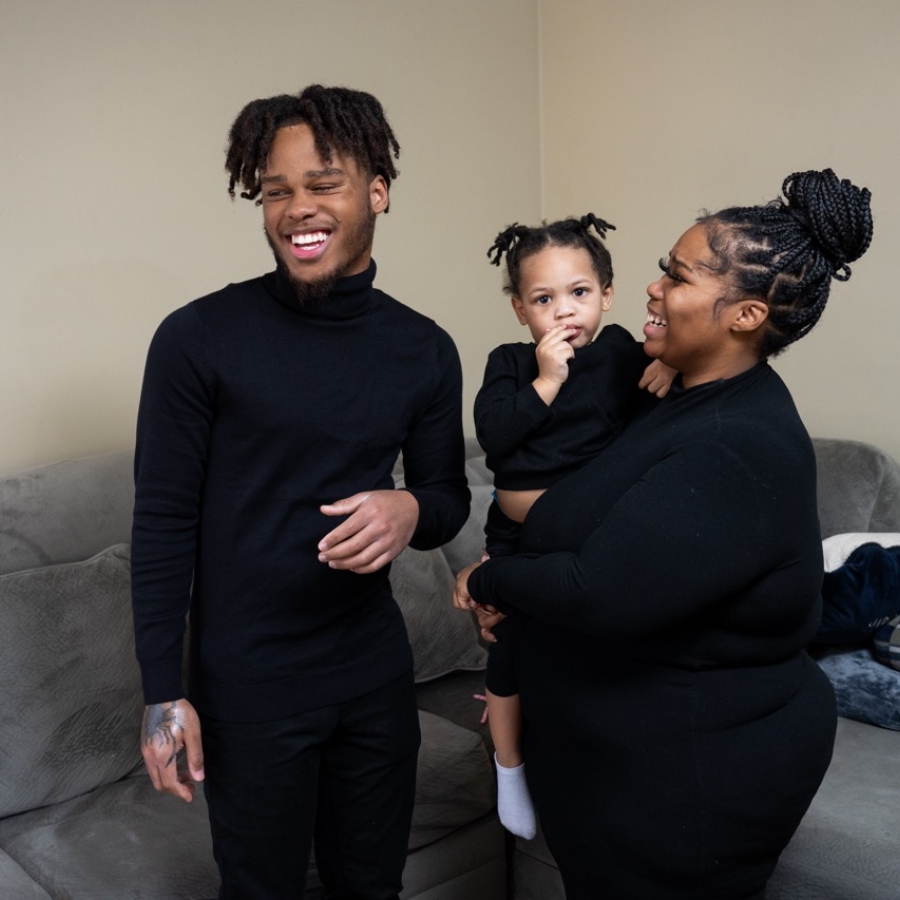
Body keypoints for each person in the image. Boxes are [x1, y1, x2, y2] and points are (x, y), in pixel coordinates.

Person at [454, 168, 874, 899]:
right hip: (611, 773)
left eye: (676, 278)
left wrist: (486, 579)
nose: (653, 288)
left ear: (744, 315)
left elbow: (597, 589)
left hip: (685, 791)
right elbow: (577, 511)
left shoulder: (736, 444)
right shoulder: (674, 397)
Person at [131, 84, 470, 900]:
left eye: (324, 183)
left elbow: (448, 496)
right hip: (249, 686)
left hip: (372, 676)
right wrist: (160, 694)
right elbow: (163, 522)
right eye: (275, 190)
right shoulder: (196, 338)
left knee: (370, 887)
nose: (296, 209)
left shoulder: (424, 348)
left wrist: (410, 508)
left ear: (377, 191)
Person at [473, 214, 674, 840]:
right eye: (543, 299)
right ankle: (510, 767)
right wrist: (546, 380)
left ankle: (587, 748)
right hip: (511, 535)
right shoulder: (509, 364)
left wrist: (669, 370)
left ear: (607, 296)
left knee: (572, 644)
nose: (564, 312)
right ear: (519, 309)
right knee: (503, 650)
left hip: (579, 538)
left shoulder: (618, 354)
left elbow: (665, 426)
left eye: (579, 293)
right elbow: (494, 435)